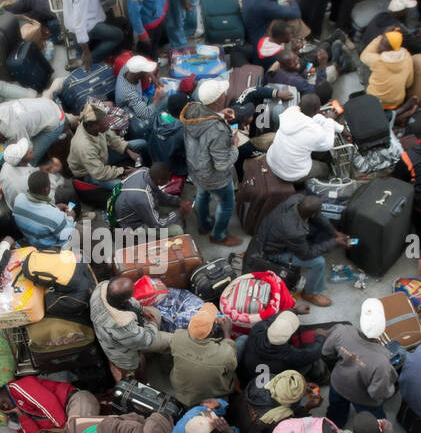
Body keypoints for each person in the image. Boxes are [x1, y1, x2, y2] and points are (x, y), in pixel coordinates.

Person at [249, 193, 348, 308]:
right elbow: (306, 254)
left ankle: (308, 244)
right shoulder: (293, 231)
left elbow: (318, 216)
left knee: (316, 231)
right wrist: (334, 242)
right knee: (318, 262)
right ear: (312, 213)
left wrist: (334, 232)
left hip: (269, 235)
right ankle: (310, 293)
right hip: (272, 252)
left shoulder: (297, 199)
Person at [182, 78, 241, 246]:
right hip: (215, 176)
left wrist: (220, 115)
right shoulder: (218, 130)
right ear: (218, 100)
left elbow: (204, 124)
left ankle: (204, 225)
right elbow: (222, 164)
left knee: (202, 194)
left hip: (196, 168)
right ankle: (219, 235)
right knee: (227, 203)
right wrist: (235, 146)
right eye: (222, 93)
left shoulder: (192, 111)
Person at [320, 300, 397, 422]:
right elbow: (377, 393)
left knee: (336, 411)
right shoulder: (382, 360)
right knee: (376, 421)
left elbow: (326, 352)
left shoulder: (342, 331)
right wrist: (391, 389)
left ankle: (335, 425)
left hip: (338, 385)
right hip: (363, 399)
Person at [90, 277, 173, 379]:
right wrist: (152, 324)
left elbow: (131, 301)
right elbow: (144, 340)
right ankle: (165, 367)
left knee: (156, 313)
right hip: (126, 352)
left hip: (131, 336)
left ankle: (149, 354)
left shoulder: (101, 289)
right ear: (124, 301)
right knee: (172, 341)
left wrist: (141, 309)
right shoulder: (122, 326)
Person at [169, 304, 240, 408]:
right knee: (242, 341)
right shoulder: (225, 353)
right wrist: (227, 333)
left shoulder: (177, 337)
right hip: (211, 397)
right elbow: (231, 365)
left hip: (181, 392)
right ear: (211, 332)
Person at [267, 92, 344, 184]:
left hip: (272, 161)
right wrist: (330, 120)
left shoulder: (290, 111)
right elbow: (328, 144)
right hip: (289, 173)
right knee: (324, 168)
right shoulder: (314, 132)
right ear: (317, 110)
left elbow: (315, 118)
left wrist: (341, 129)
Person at [69, 101, 147, 190]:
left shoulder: (98, 125)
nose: (108, 124)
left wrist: (129, 151)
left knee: (142, 144)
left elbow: (113, 139)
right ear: (94, 126)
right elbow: (100, 173)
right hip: (90, 172)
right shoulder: (84, 146)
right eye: (106, 123)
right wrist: (124, 171)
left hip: (102, 156)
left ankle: (142, 166)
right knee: (123, 186)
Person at [0, 377, 101, 433]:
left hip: (75, 400)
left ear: (5, 391)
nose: (5, 406)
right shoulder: (17, 418)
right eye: (2, 407)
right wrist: (20, 415)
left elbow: (48, 401)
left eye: (3, 400)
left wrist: (63, 426)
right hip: (68, 424)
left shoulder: (18, 387)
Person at [0, 98, 71, 166]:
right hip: (45, 103)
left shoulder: (13, 130)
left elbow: (28, 152)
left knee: (30, 158)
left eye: (2, 141)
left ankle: (60, 134)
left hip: (56, 120)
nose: (4, 142)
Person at [113, 163, 189, 234]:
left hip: (134, 208)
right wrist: (179, 212)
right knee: (178, 230)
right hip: (132, 224)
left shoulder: (144, 170)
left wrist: (178, 201)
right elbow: (157, 224)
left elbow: (159, 195)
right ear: (159, 180)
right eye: (168, 179)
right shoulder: (143, 198)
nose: (169, 181)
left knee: (172, 210)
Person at [12, 170, 76, 248]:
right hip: (50, 248)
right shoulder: (54, 215)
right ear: (46, 189)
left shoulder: (19, 198)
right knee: (84, 231)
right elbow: (66, 235)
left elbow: (39, 212)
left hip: (31, 240)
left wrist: (55, 207)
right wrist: (70, 217)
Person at [359, 31, 414, 119]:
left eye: (383, 45)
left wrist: (380, 37)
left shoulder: (378, 60)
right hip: (396, 102)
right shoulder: (407, 57)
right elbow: (409, 83)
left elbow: (363, 56)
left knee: (364, 65)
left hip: (374, 100)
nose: (379, 46)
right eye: (381, 43)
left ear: (391, 49)